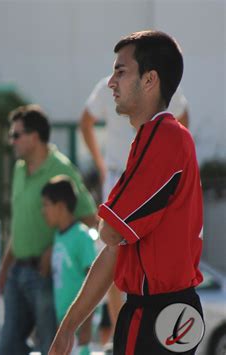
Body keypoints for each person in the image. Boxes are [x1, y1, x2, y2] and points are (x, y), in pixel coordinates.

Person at [49, 30, 204, 355]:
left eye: (121, 71)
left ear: (150, 80)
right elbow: (115, 246)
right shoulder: (160, 138)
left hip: (156, 313)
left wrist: (68, 327)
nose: (111, 83)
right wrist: (69, 327)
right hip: (172, 311)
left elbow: (111, 232)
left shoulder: (161, 136)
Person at [80, 79, 189, 347]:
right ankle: (121, 332)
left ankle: (131, 332)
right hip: (122, 173)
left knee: (126, 249)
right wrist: (103, 166)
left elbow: (85, 120)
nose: (116, 83)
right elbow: (86, 120)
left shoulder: (155, 85)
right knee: (114, 249)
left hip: (142, 173)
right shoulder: (113, 84)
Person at [0, 104, 97, 355]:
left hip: (45, 277)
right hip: (16, 274)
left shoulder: (62, 169)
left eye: (16, 135)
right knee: (6, 348)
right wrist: (5, 267)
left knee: (49, 347)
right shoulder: (19, 170)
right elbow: (20, 224)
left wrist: (55, 248)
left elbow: (89, 218)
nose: (12, 141)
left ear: (34, 136)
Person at [41, 175, 97, 355]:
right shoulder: (58, 236)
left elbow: (94, 282)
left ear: (61, 206)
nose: (43, 211)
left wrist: (86, 326)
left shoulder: (82, 236)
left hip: (81, 331)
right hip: (65, 329)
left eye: (46, 205)